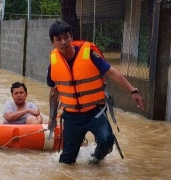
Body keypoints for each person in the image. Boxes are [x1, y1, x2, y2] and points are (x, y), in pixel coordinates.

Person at [47, 21, 145, 164]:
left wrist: (133, 90)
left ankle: (95, 160)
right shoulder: (53, 64)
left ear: (71, 37)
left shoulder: (89, 53)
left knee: (106, 142)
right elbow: (53, 92)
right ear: (53, 43)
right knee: (66, 161)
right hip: (72, 116)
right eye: (59, 39)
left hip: (95, 111)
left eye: (66, 37)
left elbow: (111, 72)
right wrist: (52, 116)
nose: (63, 42)